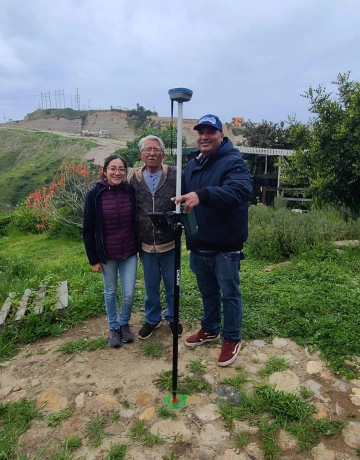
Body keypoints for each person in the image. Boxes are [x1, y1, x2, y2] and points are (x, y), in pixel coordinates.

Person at [174, 114, 252, 367]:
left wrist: (203, 194)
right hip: (199, 241)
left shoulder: (233, 162)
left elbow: (239, 192)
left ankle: (231, 337)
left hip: (225, 244)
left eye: (210, 132)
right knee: (207, 291)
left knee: (229, 293)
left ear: (221, 135)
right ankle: (210, 329)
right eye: (200, 132)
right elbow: (180, 189)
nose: (204, 137)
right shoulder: (193, 163)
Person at [130, 135, 182, 340]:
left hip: (170, 241)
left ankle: (173, 317)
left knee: (172, 283)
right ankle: (152, 319)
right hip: (145, 243)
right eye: (148, 149)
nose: (152, 153)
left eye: (156, 149)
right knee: (151, 285)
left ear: (163, 153)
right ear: (141, 154)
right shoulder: (133, 178)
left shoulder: (176, 175)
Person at [83, 154, 138, 348]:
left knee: (129, 293)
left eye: (121, 169)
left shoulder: (130, 191)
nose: (117, 172)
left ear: (125, 171)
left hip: (129, 251)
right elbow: (88, 229)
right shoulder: (94, 194)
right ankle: (113, 327)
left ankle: (124, 324)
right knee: (110, 291)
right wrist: (93, 259)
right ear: (105, 171)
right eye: (112, 168)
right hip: (106, 254)